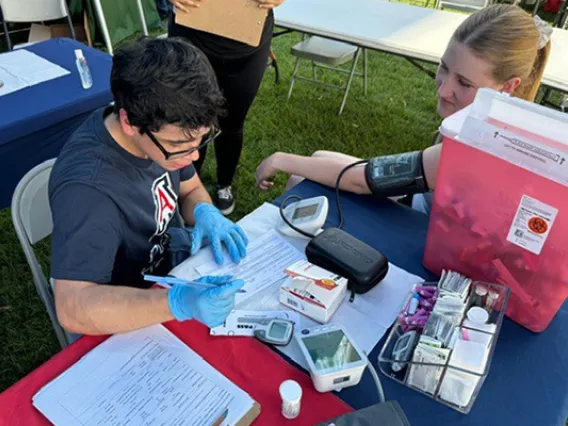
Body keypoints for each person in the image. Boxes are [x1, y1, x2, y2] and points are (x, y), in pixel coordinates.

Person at [255, 5, 552, 215]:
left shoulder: (487, 140)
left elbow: (364, 179)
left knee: (300, 179)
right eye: (444, 68)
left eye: (463, 82)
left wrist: (282, 159)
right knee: (316, 162)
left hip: (426, 229)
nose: (443, 89)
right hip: (424, 201)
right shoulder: (502, 116)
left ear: (508, 86)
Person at [49, 37, 249, 336]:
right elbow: (73, 307)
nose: (193, 157)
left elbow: (191, 189)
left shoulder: (158, 126)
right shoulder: (89, 190)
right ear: (129, 122)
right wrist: (177, 304)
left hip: (168, 269)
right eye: (179, 146)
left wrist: (206, 210)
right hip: (123, 305)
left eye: (201, 141)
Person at [168, 0, 286, 215]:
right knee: (188, 116)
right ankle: (185, 183)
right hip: (192, 27)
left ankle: (224, 184)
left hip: (247, 37)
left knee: (232, 120)